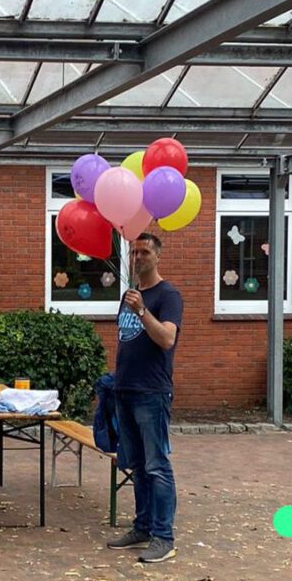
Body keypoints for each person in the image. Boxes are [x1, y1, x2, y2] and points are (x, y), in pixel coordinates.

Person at [107, 232, 183, 563]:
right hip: (124, 389)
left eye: (144, 252)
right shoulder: (130, 295)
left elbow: (167, 339)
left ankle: (163, 536)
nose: (138, 258)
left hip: (151, 392)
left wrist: (142, 312)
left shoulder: (168, 295)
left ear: (158, 257)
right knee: (136, 465)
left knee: (156, 466)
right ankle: (142, 526)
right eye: (133, 252)